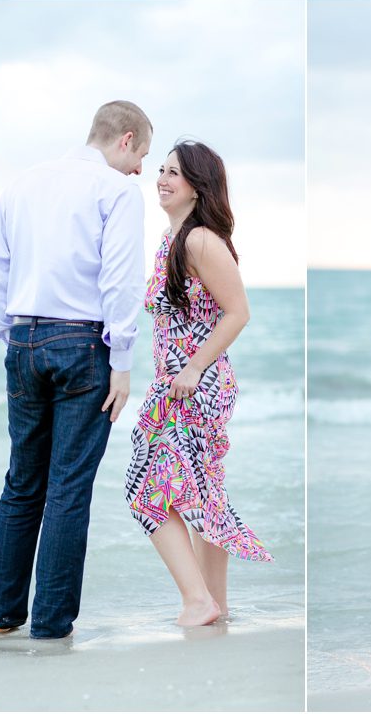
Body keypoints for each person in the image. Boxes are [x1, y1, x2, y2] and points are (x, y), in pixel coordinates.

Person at [0, 100, 152, 639]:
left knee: (22, 483)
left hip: (24, 336)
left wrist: (11, 335)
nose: (142, 169)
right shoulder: (117, 191)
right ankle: (51, 624)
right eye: (142, 154)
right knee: (69, 488)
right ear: (125, 140)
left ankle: (3, 617)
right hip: (83, 343)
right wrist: (121, 360)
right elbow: (120, 278)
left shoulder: (23, 183)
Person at [125, 139, 272, 628]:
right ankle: (215, 604)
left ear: (197, 185)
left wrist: (192, 369)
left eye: (175, 173)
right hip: (178, 383)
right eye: (161, 170)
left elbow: (238, 313)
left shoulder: (199, 240)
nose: (162, 179)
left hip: (194, 385)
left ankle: (197, 601)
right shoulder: (171, 240)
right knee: (203, 494)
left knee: (146, 488)